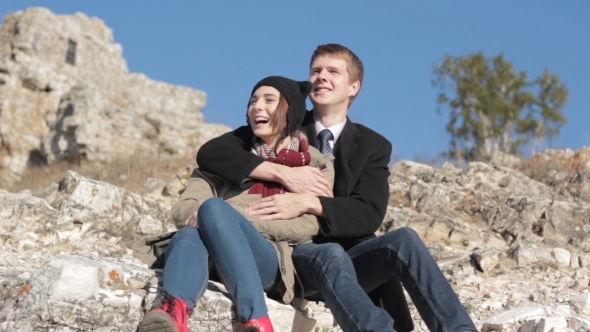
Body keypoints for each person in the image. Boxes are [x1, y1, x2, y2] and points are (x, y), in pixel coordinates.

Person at [196, 44, 478, 332]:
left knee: (403, 239)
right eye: (316, 71)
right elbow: (212, 153)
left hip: (349, 262)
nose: (321, 77)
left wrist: (309, 203)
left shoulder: (373, 146)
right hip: (294, 256)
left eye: (333, 71)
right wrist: (282, 174)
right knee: (329, 253)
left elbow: (369, 213)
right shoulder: (283, 121)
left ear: (354, 87)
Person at [137, 76, 334, 332]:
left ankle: (254, 316)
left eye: (269, 100)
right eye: (253, 101)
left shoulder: (316, 166)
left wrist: (226, 220)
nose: (257, 107)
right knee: (190, 231)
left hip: (268, 260)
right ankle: (172, 313)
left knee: (214, 209)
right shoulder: (225, 160)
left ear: (291, 112)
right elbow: (186, 207)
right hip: (207, 253)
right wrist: (215, 220)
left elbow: (311, 224)